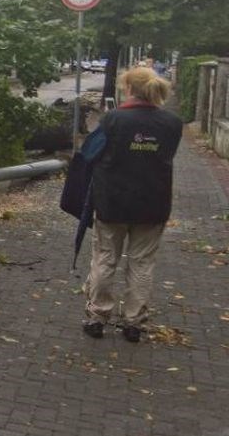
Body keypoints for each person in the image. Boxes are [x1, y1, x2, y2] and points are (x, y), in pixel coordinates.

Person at [82, 67, 183, 342]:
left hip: (112, 202)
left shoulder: (113, 119)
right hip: (153, 204)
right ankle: (133, 323)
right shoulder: (173, 123)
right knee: (142, 263)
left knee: (105, 259)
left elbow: (89, 152)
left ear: (128, 88)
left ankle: (97, 317)